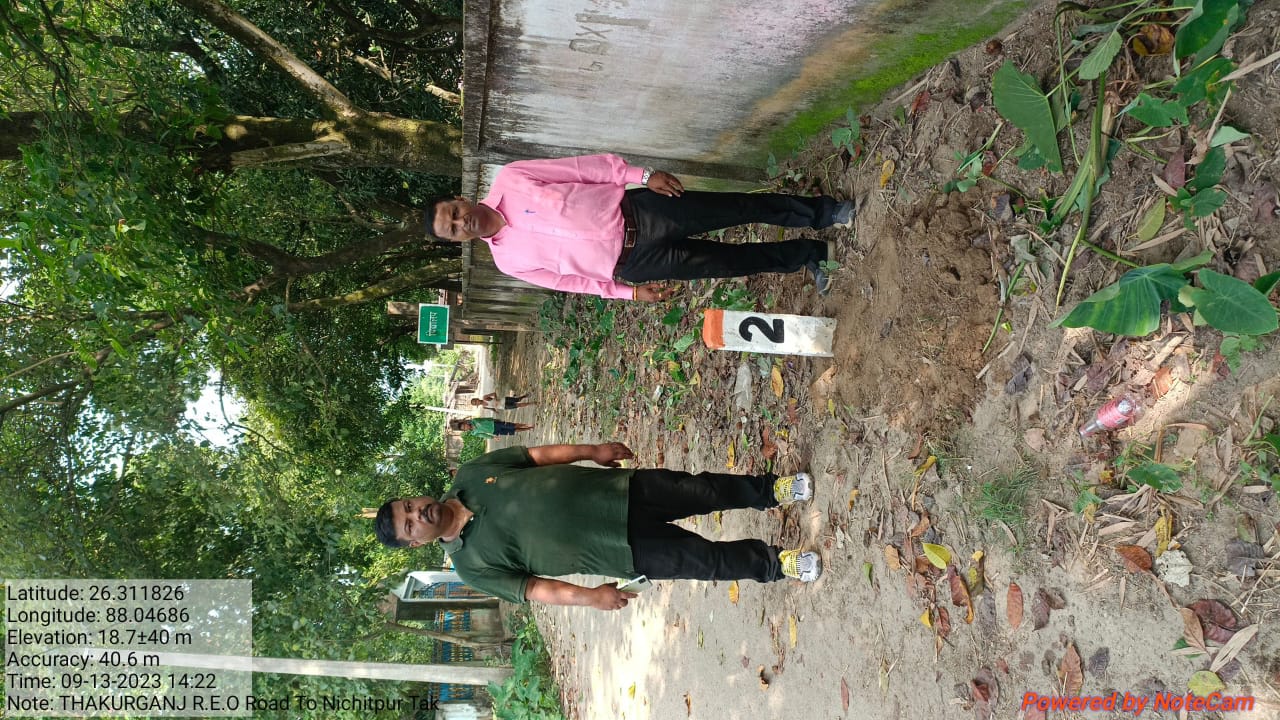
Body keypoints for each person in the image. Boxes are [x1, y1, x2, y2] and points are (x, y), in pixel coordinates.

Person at [373, 442, 822, 610]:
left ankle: (772, 490)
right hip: (619, 549)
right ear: (415, 544)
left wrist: (591, 451)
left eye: (410, 506)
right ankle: (778, 564)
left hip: (622, 490)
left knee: (703, 490)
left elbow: (534, 457)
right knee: (705, 562)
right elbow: (536, 588)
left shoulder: (472, 474)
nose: (417, 514)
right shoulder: (470, 567)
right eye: (409, 525)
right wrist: (591, 597)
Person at [426, 153, 854, 300]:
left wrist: (642, 176)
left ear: (460, 198)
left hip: (643, 211)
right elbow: (572, 282)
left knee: (738, 208)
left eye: (455, 212)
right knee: (729, 263)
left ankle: (824, 213)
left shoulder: (512, 178)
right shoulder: (508, 262)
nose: (461, 222)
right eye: (453, 229)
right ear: (456, 241)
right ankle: (810, 255)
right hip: (637, 262)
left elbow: (584, 170)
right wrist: (628, 292)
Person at [450, 417, 533, 438]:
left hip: (495, 424)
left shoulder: (475, 420)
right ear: (464, 430)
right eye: (464, 428)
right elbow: (483, 435)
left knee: (512, 426)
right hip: (494, 431)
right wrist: (493, 437)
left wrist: (494, 420)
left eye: (464, 425)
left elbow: (485, 419)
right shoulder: (474, 433)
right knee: (512, 431)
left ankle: (527, 425)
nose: (466, 427)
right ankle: (528, 429)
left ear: (465, 423)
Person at [470, 393, 538, 412]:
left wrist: (496, 400)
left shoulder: (485, 397)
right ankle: (532, 403)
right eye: (476, 403)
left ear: (477, 399)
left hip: (504, 400)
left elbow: (494, 393)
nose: (477, 402)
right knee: (518, 405)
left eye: (476, 401)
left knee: (518, 400)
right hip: (503, 407)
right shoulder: (484, 407)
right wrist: (495, 410)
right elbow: (492, 409)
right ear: (476, 405)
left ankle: (524, 396)